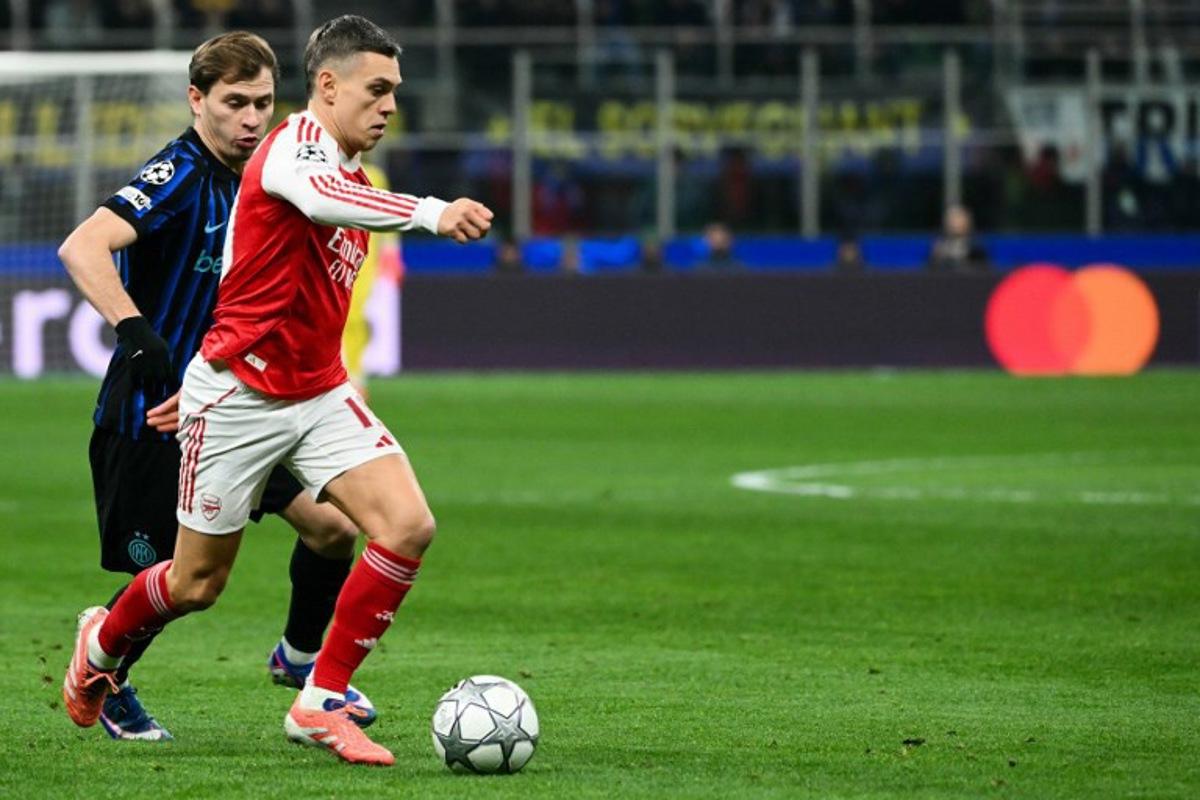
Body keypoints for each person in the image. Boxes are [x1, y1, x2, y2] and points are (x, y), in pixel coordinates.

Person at [63, 15, 493, 766]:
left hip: (317, 395)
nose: (391, 105)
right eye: (378, 89)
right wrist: (432, 211)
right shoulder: (294, 152)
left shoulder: (347, 172)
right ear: (327, 86)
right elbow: (322, 198)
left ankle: (318, 696)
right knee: (196, 583)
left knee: (404, 525)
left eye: (396, 91)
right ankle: (100, 646)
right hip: (236, 399)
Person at [58, 31, 376, 742]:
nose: (251, 119)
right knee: (182, 578)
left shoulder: (274, 171)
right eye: (234, 103)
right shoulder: (179, 173)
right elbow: (82, 246)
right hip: (154, 417)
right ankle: (107, 672)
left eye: (263, 103)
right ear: (197, 100)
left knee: (332, 529)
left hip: (240, 404)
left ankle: (300, 661)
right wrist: (135, 331)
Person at [926, 204, 989, 274]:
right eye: (952, 220)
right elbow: (929, 270)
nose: (955, 223)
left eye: (958, 219)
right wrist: (937, 257)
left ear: (967, 221)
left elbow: (983, 269)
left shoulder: (976, 244)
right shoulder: (940, 243)